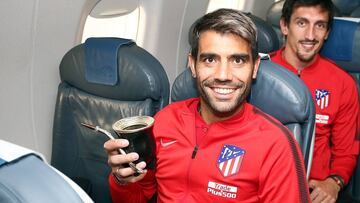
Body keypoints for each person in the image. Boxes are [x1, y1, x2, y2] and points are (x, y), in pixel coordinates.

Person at [104, 8, 310, 203]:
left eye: (238, 60)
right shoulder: (165, 120)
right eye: (210, 59)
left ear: (254, 67)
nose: (223, 75)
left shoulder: (276, 144)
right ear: (193, 65)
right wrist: (122, 180)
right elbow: (138, 197)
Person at [270, 0, 360, 202]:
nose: (310, 36)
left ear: (327, 32)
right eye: (302, 23)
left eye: (319, 25)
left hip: (314, 188)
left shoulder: (343, 83)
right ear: (285, 26)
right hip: (264, 183)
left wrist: (333, 182)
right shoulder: (259, 73)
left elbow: (346, 151)